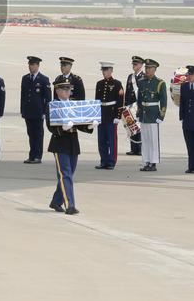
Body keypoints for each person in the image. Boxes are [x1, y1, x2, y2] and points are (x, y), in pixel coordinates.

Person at [47, 79, 94, 215]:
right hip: (60, 143)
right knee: (65, 174)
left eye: (69, 89)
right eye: (65, 89)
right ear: (58, 91)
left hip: (73, 143)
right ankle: (70, 205)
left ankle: (56, 201)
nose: (68, 91)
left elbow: (79, 123)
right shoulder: (53, 105)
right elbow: (50, 126)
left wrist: (89, 125)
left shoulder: (72, 104)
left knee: (68, 174)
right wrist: (62, 128)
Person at [137, 59, 167, 172]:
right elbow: (140, 99)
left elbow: (163, 101)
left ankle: (153, 162)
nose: (147, 70)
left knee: (153, 140)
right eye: (146, 68)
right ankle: (146, 161)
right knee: (145, 140)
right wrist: (139, 113)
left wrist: (161, 116)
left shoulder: (159, 83)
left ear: (154, 70)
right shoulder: (142, 82)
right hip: (144, 114)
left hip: (153, 114)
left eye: (150, 68)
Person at [20, 56, 51, 164]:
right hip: (28, 112)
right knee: (31, 134)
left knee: (38, 134)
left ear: (38, 66)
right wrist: (22, 110)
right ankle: (31, 155)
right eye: (29, 64)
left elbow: (48, 98)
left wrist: (45, 112)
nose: (30, 67)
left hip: (38, 112)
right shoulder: (25, 78)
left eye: (33, 65)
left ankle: (38, 155)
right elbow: (23, 96)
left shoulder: (43, 79)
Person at [94, 62, 124, 170]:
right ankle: (104, 160)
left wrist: (118, 116)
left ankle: (111, 161)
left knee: (112, 140)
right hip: (102, 114)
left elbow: (120, 101)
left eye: (106, 70)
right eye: (103, 70)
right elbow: (97, 101)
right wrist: (96, 116)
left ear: (111, 70)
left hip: (111, 115)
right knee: (101, 140)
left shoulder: (117, 84)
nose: (104, 72)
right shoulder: (99, 84)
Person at [124, 56, 145, 156]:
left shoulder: (144, 77)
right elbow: (127, 92)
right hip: (130, 105)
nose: (134, 66)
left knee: (139, 127)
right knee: (131, 126)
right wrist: (125, 105)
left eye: (136, 64)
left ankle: (140, 148)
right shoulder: (130, 77)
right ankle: (133, 148)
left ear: (141, 65)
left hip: (138, 105)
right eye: (133, 64)